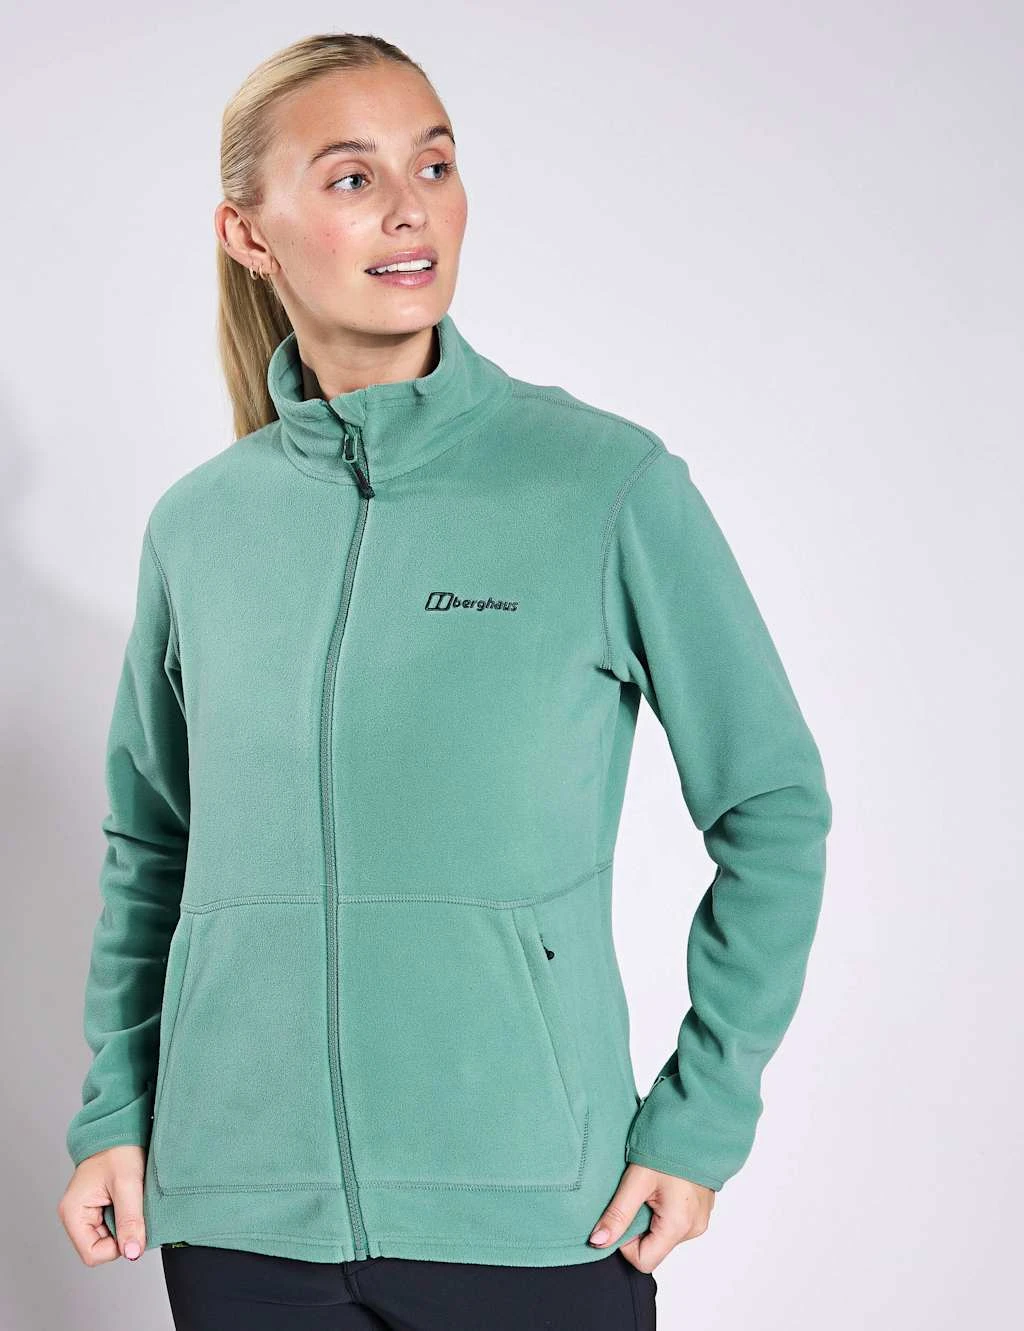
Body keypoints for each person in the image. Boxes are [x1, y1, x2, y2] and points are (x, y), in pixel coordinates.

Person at [57, 31, 832, 1331]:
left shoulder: (603, 485)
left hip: (532, 1221)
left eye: (434, 164)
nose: (411, 207)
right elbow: (154, 848)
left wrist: (700, 1121)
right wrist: (116, 1112)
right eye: (352, 177)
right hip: (237, 1218)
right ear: (248, 234)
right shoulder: (201, 527)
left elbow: (774, 809)